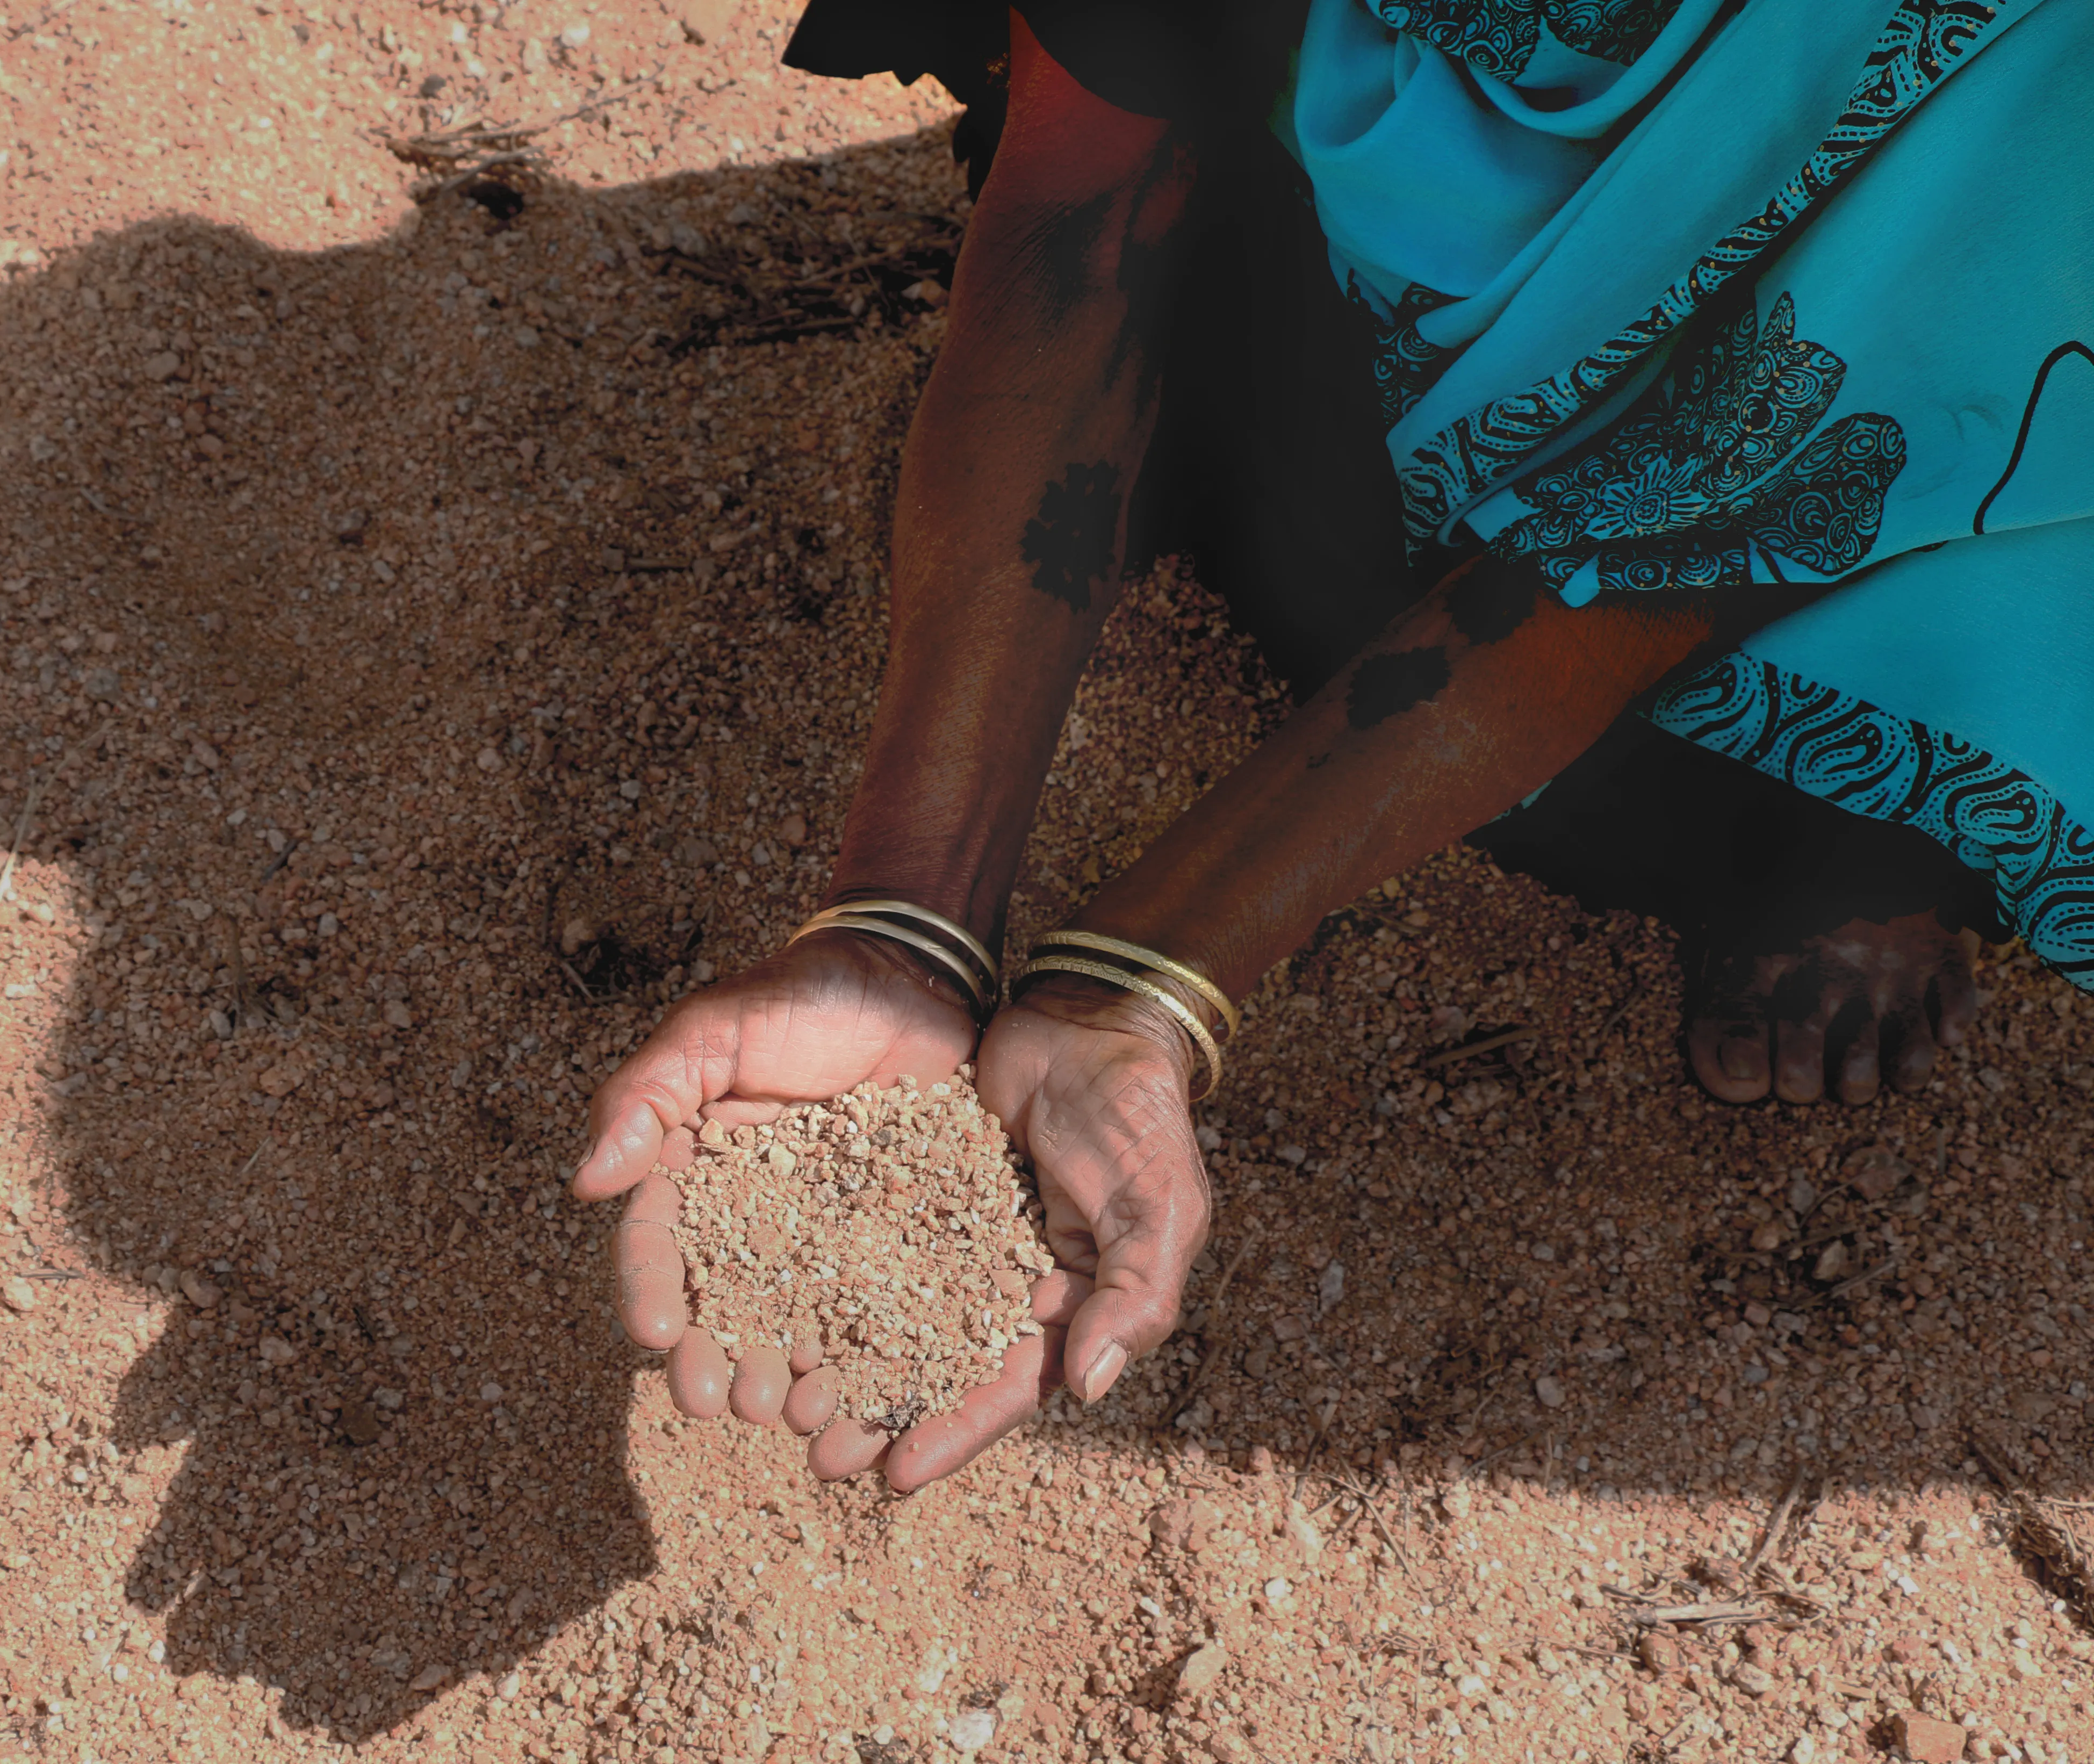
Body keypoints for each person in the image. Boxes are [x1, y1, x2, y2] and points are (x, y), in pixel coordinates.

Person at [569, 0, 2094, 1492]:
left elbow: (1728, 501)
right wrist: (900, 927)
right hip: (1432, 224)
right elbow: (1091, 192)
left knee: (1771, 740)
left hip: (1946, 360)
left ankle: (1878, 834)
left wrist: (1152, 981)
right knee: (1271, 456)